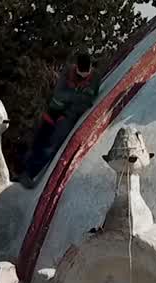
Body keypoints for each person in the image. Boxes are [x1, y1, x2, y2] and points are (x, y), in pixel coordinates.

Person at [20, 52, 99, 187]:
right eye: (81, 72)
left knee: (51, 146)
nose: (83, 75)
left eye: (86, 72)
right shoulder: (68, 71)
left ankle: (31, 173)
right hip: (53, 111)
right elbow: (59, 93)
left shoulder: (95, 77)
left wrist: (73, 99)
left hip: (68, 115)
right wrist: (76, 94)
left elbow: (89, 99)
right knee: (39, 141)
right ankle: (25, 173)